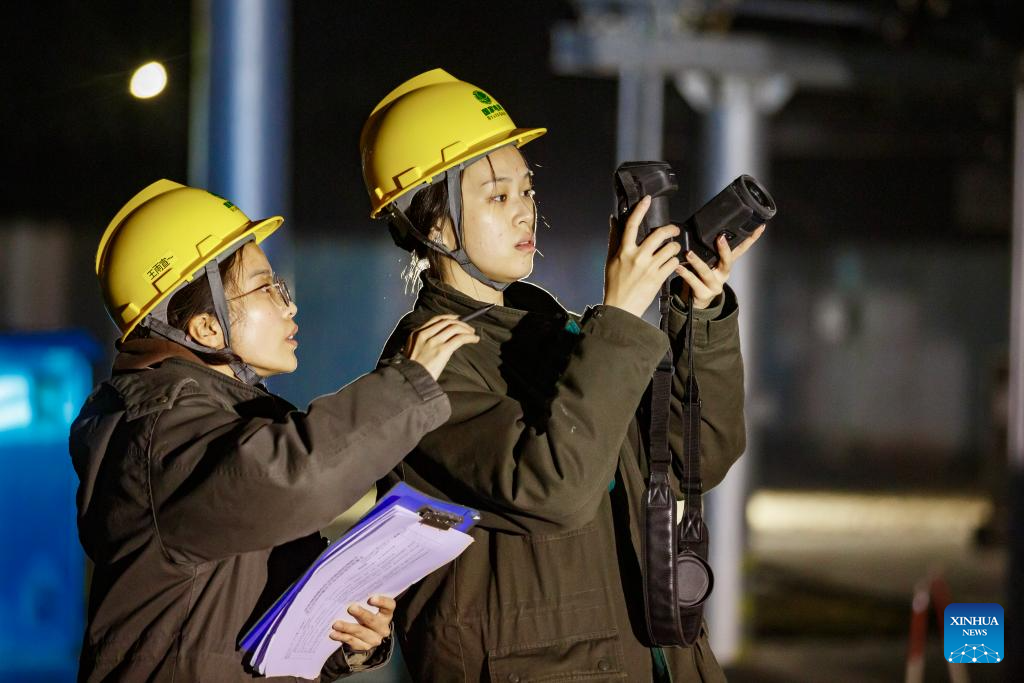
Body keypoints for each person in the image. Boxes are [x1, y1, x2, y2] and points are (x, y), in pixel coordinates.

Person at [358, 69, 762, 681]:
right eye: (497, 197)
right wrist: (621, 318)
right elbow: (554, 489)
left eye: (526, 191)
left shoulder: (555, 335)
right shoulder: (427, 369)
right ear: (431, 222)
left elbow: (694, 455)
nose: (524, 212)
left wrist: (697, 320)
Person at [71, 180, 479, 681]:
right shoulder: (160, 434)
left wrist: (342, 640)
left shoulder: (225, 425)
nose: (290, 305)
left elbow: (234, 633)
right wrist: (406, 385)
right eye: (267, 288)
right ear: (206, 328)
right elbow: (293, 475)